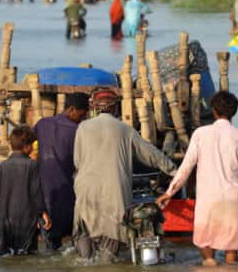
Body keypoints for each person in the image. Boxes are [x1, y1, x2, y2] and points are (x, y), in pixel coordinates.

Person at [72, 88, 177, 262]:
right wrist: (174, 170)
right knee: (112, 234)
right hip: (115, 190)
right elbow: (151, 154)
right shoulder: (125, 129)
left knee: (84, 228)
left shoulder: (83, 127)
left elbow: (77, 161)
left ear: (95, 107)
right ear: (115, 108)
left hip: (86, 188)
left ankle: (86, 263)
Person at [156, 91, 238, 266]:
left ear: (214, 111)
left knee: (206, 246)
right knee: (232, 253)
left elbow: (186, 167)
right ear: (234, 112)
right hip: (235, 198)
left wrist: (169, 193)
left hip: (209, 199)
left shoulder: (201, 134)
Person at [33, 93, 89, 250]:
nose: (83, 118)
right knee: (74, 237)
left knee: (51, 241)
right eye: (82, 114)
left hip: (44, 193)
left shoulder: (43, 124)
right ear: (71, 110)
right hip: (67, 192)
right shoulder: (78, 131)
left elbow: (30, 142)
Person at [0, 126, 52, 255]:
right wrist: (43, 213)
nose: (32, 148)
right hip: (27, 218)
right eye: (31, 145)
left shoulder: (2, 166)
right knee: (28, 253)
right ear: (26, 146)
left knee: (7, 254)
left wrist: (8, 202)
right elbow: (36, 192)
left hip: (5, 217)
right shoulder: (32, 165)